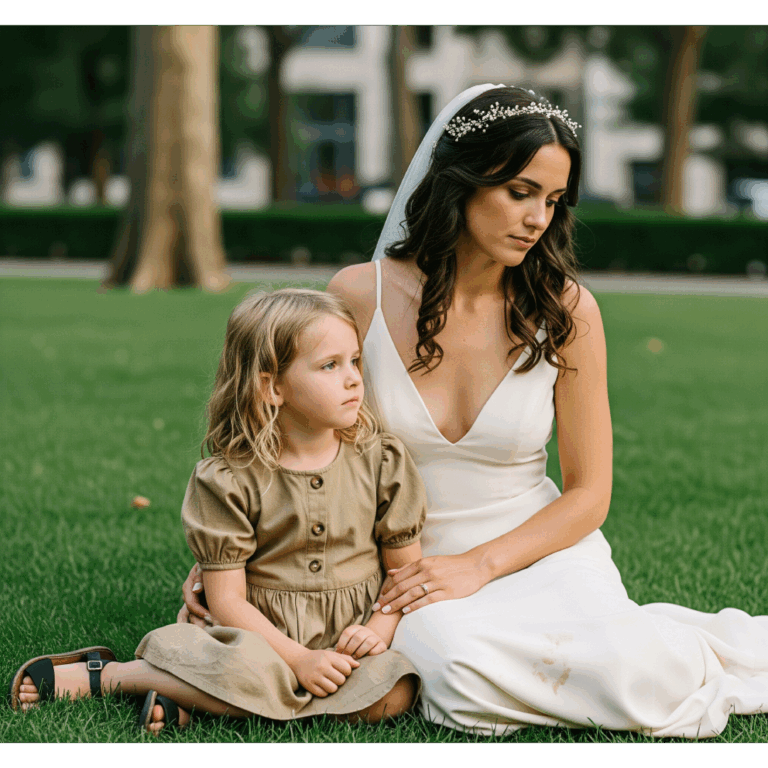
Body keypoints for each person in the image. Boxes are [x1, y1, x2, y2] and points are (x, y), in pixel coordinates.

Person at [180, 84, 768, 740]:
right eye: (519, 192)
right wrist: (226, 562)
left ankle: (665, 646)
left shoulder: (568, 313)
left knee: (644, 677)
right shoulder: (358, 295)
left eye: (551, 200)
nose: (537, 218)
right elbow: (292, 440)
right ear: (462, 182)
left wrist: (479, 565)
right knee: (455, 673)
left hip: (540, 549)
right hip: (407, 565)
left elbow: (589, 495)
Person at [10, 288, 426, 734]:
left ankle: (184, 690)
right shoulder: (230, 479)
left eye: (355, 361)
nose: (353, 380)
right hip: (257, 636)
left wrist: (380, 629)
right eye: (330, 365)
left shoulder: (382, 461)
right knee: (241, 668)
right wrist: (299, 659)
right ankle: (110, 676)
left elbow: (405, 573)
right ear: (272, 387)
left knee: (395, 694)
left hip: (350, 637)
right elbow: (227, 601)